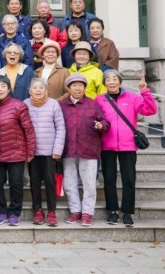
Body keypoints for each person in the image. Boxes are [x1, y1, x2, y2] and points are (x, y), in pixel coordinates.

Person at [96, 70, 157, 227]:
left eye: (114, 79)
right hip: (107, 145)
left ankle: (127, 212)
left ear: (120, 81)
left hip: (128, 145)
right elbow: (96, 119)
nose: (111, 82)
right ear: (104, 83)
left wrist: (145, 91)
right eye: (108, 79)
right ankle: (113, 211)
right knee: (109, 179)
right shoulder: (100, 99)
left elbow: (150, 110)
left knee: (129, 179)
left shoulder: (132, 97)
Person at [59, 74, 109, 227]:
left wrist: (101, 125)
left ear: (85, 88)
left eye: (80, 85)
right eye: (74, 85)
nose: (77, 88)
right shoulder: (61, 105)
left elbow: (104, 121)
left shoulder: (93, 104)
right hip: (68, 149)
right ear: (68, 88)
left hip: (89, 149)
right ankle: (75, 211)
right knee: (69, 183)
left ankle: (87, 213)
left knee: (89, 184)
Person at [0, 75, 36, 227]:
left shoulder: (19, 105)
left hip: (16, 152)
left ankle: (14, 213)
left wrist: (31, 151)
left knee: (16, 184)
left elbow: (28, 129)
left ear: (9, 89)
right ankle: (1, 212)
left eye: (3, 86)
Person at [24, 78, 66, 227]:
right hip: (32, 152)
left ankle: (51, 211)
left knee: (50, 182)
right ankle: (37, 210)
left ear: (46, 90)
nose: (38, 90)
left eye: (41, 87)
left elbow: (61, 127)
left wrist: (57, 150)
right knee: (34, 182)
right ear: (29, 91)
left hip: (50, 152)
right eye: (34, 87)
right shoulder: (25, 104)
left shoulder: (53, 104)